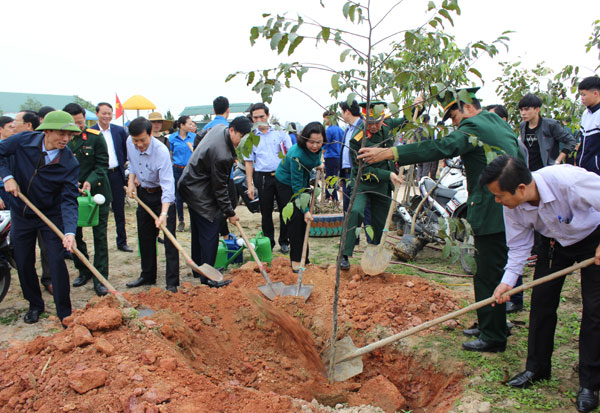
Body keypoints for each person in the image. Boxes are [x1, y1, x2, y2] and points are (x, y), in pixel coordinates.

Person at [358, 88, 523, 353]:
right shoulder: (497, 122)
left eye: (454, 116)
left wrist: (390, 153)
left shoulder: (473, 127)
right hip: (507, 207)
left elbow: (440, 147)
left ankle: (493, 335)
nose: (455, 124)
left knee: (487, 273)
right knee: (491, 270)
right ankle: (490, 322)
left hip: (491, 210)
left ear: (467, 107)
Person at [481, 155, 600, 412]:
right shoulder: (512, 206)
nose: (497, 201)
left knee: (595, 311)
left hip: (593, 238)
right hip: (554, 242)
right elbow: (518, 246)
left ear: (521, 188)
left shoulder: (569, 181)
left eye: (500, 196)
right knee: (541, 305)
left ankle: (590, 384)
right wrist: (507, 283)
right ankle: (537, 368)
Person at [0, 110, 80, 324]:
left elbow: (69, 200)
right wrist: (7, 177)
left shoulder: (69, 163)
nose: (66, 139)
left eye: (69, 135)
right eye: (61, 133)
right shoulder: (24, 141)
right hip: (22, 212)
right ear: (47, 131)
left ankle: (65, 313)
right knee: (24, 260)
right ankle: (35, 305)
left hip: (50, 215)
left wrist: (70, 232)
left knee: (56, 260)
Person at [178, 116, 252, 287]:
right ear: (232, 130)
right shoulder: (223, 155)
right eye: (241, 137)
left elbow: (199, 136)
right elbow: (220, 189)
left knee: (198, 230)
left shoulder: (219, 128)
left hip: (189, 184)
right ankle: (208, 278)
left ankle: (199, 268)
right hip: (199, 192)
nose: (242, 142)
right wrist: (230, 213)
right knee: (210, 232)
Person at [340, 101, 405, 270]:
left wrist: (418, 106)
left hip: (382, 185)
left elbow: (407, 120)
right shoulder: (357, 140)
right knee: (355, 211)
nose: (374, 126)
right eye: (370, 123)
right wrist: (389, 174)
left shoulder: (387, 127)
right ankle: (344, 254)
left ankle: (374, 253)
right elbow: (364, 169)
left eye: (377, 122)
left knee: (379, 220)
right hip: (363, 182)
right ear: (363, 119)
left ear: (383, 119)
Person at [125, 117, 179, 293]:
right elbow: (132, 165)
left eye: (143, 140)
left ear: (150, 134)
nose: (139, 144)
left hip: (162, 196)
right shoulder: (130, 142)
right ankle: (148, 275)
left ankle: (172, 282)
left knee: (169, 239)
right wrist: (131, 182)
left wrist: (163, 214)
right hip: (144, 194)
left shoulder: (161, 151)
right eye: (136, 141)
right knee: (145, 236)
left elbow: (167, 185)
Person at [63, 103, 111, 296]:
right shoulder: (64, 140)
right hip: (72, 195)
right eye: (74, 123)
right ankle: (83, 270)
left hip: (97, 194)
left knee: (100, 236)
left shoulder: (95, 137)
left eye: (80, 122)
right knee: (74, 234)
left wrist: (89, 182)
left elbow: (102, 165)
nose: (78, 126)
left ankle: (101, 277)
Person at [276, 122, 326, 270]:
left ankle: (305, 258)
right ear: (304, 139)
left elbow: (314, 159)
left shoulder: (317, 149)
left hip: (302, 181)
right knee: (297, 219)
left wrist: (318, 165)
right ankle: (296, 260)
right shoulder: (296, 155)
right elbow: (296, 187)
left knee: (304, 222)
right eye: (311, 142)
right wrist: (305, 211)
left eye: (318, 142)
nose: (315, 146)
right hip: (286, 184)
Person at [244, 102, 292, 253]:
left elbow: (290, 154)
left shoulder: (280, 133)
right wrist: (250, 185)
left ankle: (284, 241)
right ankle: (268, 242)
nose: (259, 120)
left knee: (285, 209)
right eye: (255, 118)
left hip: (282, 175)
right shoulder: (250, 138)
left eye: (262, 116)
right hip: (263, 177)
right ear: (252, 119)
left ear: (268, 115)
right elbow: (248, 162)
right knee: (266, 211)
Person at [91, 102, 132, 252]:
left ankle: (122, 241)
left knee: (119, 210)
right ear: (97, 114)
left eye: (109, 113)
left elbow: (125, 150)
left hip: (116, 174)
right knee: (100, 211)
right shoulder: (91, 131)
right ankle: (100, 244)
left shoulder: (119, 131)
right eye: (104, 113)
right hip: (99, 176)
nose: (107, 116)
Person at [169, 115, 195, 232]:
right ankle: (181, 220)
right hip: (177, 169)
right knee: (178, 196)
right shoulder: (172, 138)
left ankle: (193, 222)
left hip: (190, 170)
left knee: (191, 196)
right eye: (189, 123)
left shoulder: (194, 137)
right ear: (181, 125)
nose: (191, 126)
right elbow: (170, 154)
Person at [577, 76, 600, 175]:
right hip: (584, 170)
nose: (581, 98)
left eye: (584, 94)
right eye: (580, 95)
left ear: (595, 94)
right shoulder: (586, 113)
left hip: (596, 171)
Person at [322, 111, 343, 203]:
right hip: (339, 158)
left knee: (329, 179)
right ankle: (334, 199)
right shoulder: (341, 130)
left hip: (330, 157)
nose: (324, 120)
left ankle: (330, 198)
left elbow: (324, 145)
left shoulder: (329, 130)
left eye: (324, 118)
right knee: (335, 178)